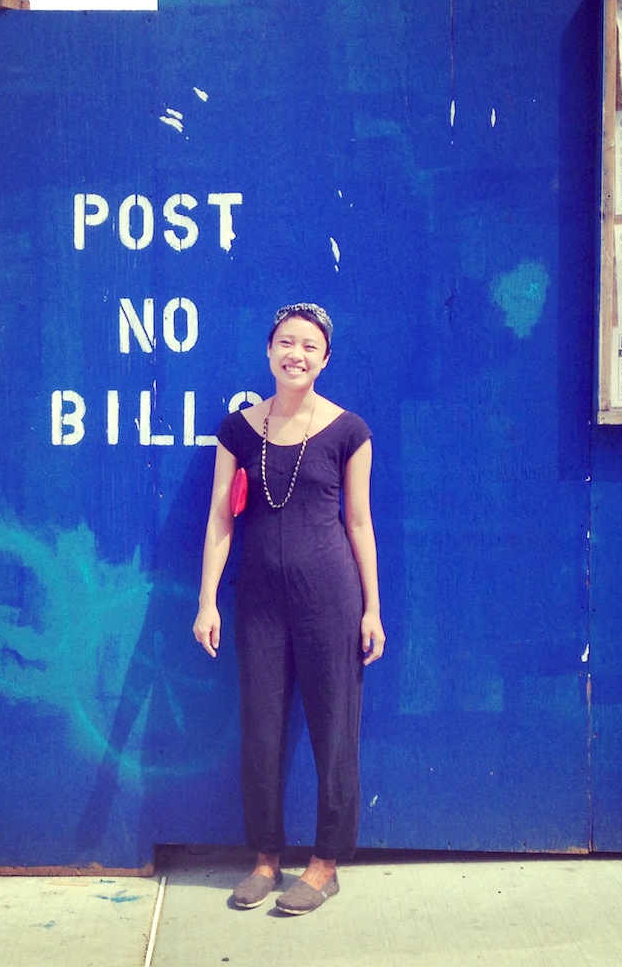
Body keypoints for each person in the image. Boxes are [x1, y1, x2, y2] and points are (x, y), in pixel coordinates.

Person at [192, 302, 385, 916]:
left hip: (331, 600)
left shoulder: (349, 431)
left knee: (334, 731)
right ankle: (265, 859)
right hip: (259, 605)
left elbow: (359, 523)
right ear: (269, 350)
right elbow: (220, 517)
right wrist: (207, 600)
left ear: (324, 359)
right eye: (285, 342)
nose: (295, 354)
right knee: (260, 730)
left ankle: (325, 865)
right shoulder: (237, 431)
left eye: (308, 346)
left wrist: (372, 609)